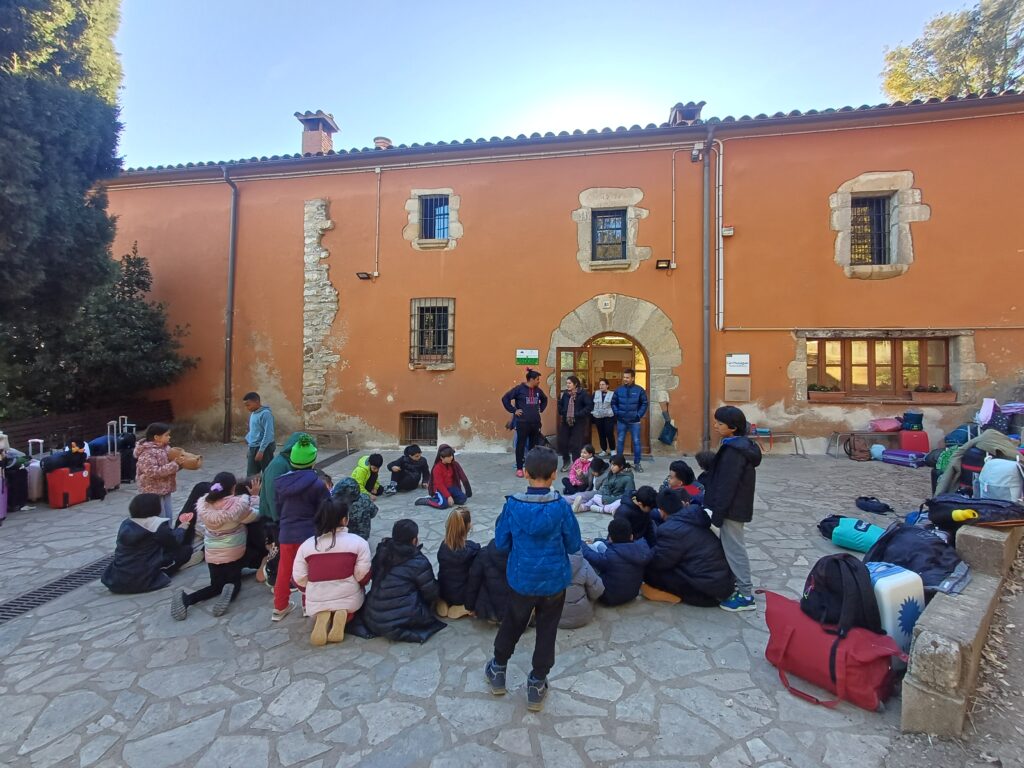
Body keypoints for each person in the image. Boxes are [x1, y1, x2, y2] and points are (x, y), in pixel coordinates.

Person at [485, 446, 582, 712]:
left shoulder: (512, 506)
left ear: (525, 473)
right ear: (554, 474)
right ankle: (537, 683)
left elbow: (501, 543)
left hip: (522, 579)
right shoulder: (561, 507)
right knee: (547, 630)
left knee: (513, 623)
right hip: (553, 581)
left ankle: (498, 669)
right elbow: (574, 544)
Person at [171, 472, 261, 620]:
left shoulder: (204, 504)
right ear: (233, 488)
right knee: (234, 582)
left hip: (212, 553)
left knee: (215, 586)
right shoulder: (238, 505)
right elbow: (255, 515)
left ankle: (187, 599)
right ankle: (230, 590)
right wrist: (255, 497)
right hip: (233, 552)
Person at [702, 405, 762, 612]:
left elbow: (728, 485)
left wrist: (718, 513)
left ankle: (746, 595)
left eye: (720, 424)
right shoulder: (736, 445)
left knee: (735, 549)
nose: (715, 426)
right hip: (734, 505)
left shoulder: (734, 452)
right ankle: (736, 583)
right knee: (731, 546)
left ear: (733, 428)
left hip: (732, 508)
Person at [293, 496, 372, 646]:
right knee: (351, 601)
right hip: (349, 599)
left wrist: (311, 590)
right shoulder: (358, 542)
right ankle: (344, 615)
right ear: (344, 520)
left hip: (316, 601)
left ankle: (323, 616)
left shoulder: (306, 546)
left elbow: (298, 579)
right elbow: (363, 576)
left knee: (320, 602)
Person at [642, 489, 734, 606]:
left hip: (708, 594)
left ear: (662, 511)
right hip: (724, 584)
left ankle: (668, 595)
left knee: (649, 572)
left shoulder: (671, 529)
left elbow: (660, 562)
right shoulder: (696, 516)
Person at [273, 436, 330, 621]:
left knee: (284, 570)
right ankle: (307, 605)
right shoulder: (317, 484)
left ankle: (280, 607)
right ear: (313, 462)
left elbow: (278, 508)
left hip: (286, 533)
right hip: (308, 534)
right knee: (309, 571)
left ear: (292, 460)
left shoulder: (280, 483)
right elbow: (325, 509)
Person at [362, 519, 446, 643]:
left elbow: (374, 576)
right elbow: (431, 593)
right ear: (414, 540)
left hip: (372, 616)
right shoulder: (418, 561)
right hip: (400, 620)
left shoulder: (383, 550)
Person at [102, 493, 194, 594]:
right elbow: (175, 543)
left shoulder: (126, 523)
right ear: (155, 508)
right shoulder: (156, 526)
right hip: (143, 579)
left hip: (117, 580)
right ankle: (162, 574)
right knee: (186, 550)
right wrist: (181, 529)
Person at [257, 432, 313, 588]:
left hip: (285, 515)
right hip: (273, 516)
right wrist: (279, 519)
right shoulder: (278, 466)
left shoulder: (290, 463)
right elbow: (271, 495)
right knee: (281, 549)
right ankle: (273, 577)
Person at [582, 518, 653, 606]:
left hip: (608, 598)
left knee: (587, 561)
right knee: (600, 545)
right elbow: (618, 546)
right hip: (633, 594)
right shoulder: (642, 549)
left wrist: (581, 543)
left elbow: (588, 554)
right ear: (631, 536)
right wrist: (598, 540)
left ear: (610, 539)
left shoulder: (610, 557)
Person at [501, 369, 549, 478]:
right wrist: (514, 410)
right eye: (537, 379)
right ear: (531, 379)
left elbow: (545, 399)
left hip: (535, 423)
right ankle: (519, 468)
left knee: (533, 447)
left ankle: (530, 468)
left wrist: (541, 408)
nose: (539, 381)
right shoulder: (519, 389)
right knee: (520, 445)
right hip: (522, 423)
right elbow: (505, 399)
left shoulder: (538, 390)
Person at [436, 506, 481, 619]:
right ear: (468, 526)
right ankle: (465, 608)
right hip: (462, 595)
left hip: (444, 591)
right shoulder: (472, 549)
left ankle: (443, 602)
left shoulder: (443, 546)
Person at [134, 423, 184, 520]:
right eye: (166, 435)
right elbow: (152, 471)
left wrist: (179, 464)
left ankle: (168, 529)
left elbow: (170, 466)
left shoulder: (166, 448)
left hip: (165, 488)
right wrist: (174, 465)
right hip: (152, 491)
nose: (169, 437)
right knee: (159, 517)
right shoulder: (147, 452)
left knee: (168, 515)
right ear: (156, 437)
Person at [611, 367, 649, 472]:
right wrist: (617, 413)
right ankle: (619, 464)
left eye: (627, 377)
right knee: (620, 441)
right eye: (624, 377)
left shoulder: (639, 390)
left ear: (633, 378)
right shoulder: (619, 390)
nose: (625, 379)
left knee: (636, 442)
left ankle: (637, 464)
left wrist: (638, 415)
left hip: (634, 421)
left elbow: (644, 403)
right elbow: (613, 403)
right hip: (621, 421)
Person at [465, 538, 511, 624]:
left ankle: (492, 616)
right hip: (512, 608)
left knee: (480, 579)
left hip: (488, 609)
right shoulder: (522, 555)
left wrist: (469, 606)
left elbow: (473, 583)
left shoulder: (484, 553)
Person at [558, 549, 604, 629]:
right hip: (582, 616)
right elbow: (597, 590)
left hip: (556, 619)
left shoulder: (542, 565)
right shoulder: (583, 563)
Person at [557, 375, 593, 472]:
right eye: (567, 383)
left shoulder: (583, 394)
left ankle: (576, 464)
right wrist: (562, 411)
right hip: (566, 421)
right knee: (562, 442)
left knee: (576, 445)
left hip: (578, 422)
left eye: (569, 383)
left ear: (575, 384)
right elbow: (560, 404)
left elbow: (589, 406)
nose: (567, 385)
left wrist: (578, 414)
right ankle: (566, 460)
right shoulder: (565, 394)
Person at [423, 444, 473, 509]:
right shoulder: (437, 468)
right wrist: (448, 496)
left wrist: (468, 490)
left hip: (451, 487)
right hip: (439, 489)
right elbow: (439, 484)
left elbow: (463, 476)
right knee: (443, 504)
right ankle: (428, 501)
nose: (451, 457)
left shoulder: (454, 464)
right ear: (441, 457)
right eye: (449, 456)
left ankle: (447, 499)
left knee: (463, 499)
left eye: (452, 455)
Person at [243, 392, 276, 476]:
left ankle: (267, 485)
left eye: (248, 405)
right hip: (253, 447)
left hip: (265, 448)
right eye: (245, 406)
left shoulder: (266, 414)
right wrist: (248, 441)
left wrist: (261, 451)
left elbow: (268, 434)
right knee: (251, 475)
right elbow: (254, 430)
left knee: (267, 473)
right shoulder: (253, 413)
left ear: (257, 402)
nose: (247, 408)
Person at [591, 378, 616, 458]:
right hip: (598, 417)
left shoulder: (612, 394)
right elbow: (591, 404)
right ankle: (604, 450)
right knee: (601, 434)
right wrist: (592, 413)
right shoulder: (595, 393)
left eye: (603, 384)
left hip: (609, 416)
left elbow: (615, 405)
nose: (601, 386)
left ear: (607, 385)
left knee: (609, 433)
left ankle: (612, 450)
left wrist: (615, 415)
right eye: (600, 384)